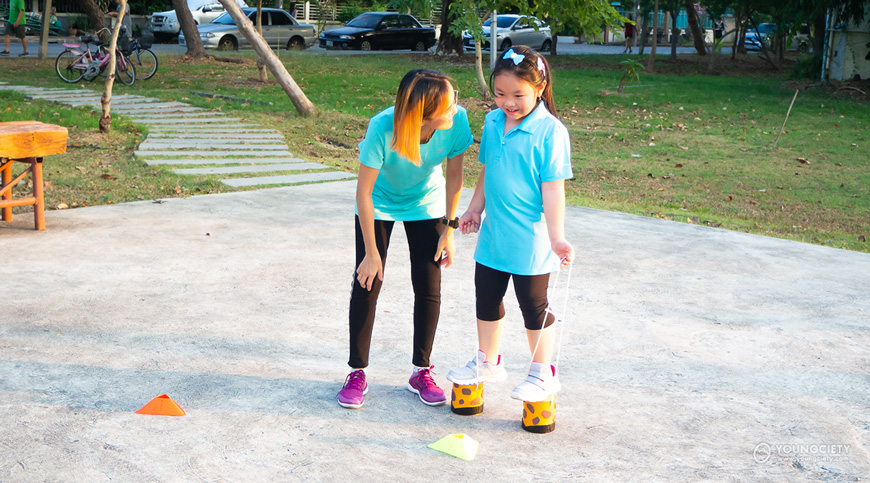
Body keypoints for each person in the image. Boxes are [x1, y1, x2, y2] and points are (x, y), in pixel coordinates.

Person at [337, 69, 474, 409]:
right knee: (368, 282)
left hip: (425, 202)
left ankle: (422, 370)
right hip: (379, 202)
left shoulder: (456, 121)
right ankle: (357, 371)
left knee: (429, 284)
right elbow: (363, 193)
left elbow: (455, 175)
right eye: (447, 104)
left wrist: (450, 228)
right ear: (424, 113)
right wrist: (371, 253)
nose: (455, 107)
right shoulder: (382, 128)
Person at [446, 45, 574, 404]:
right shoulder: (491, 122)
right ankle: (488, 361)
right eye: (500, 94)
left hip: (531, 238)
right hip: (494, 234)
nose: (509, 103)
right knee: (486, 297)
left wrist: (556, 238)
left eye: (518, 94)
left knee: (533, 305)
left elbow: (553, 191)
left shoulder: (550, 132)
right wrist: (473, 211)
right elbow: (489, 171)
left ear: (539, 88)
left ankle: (542, 373)